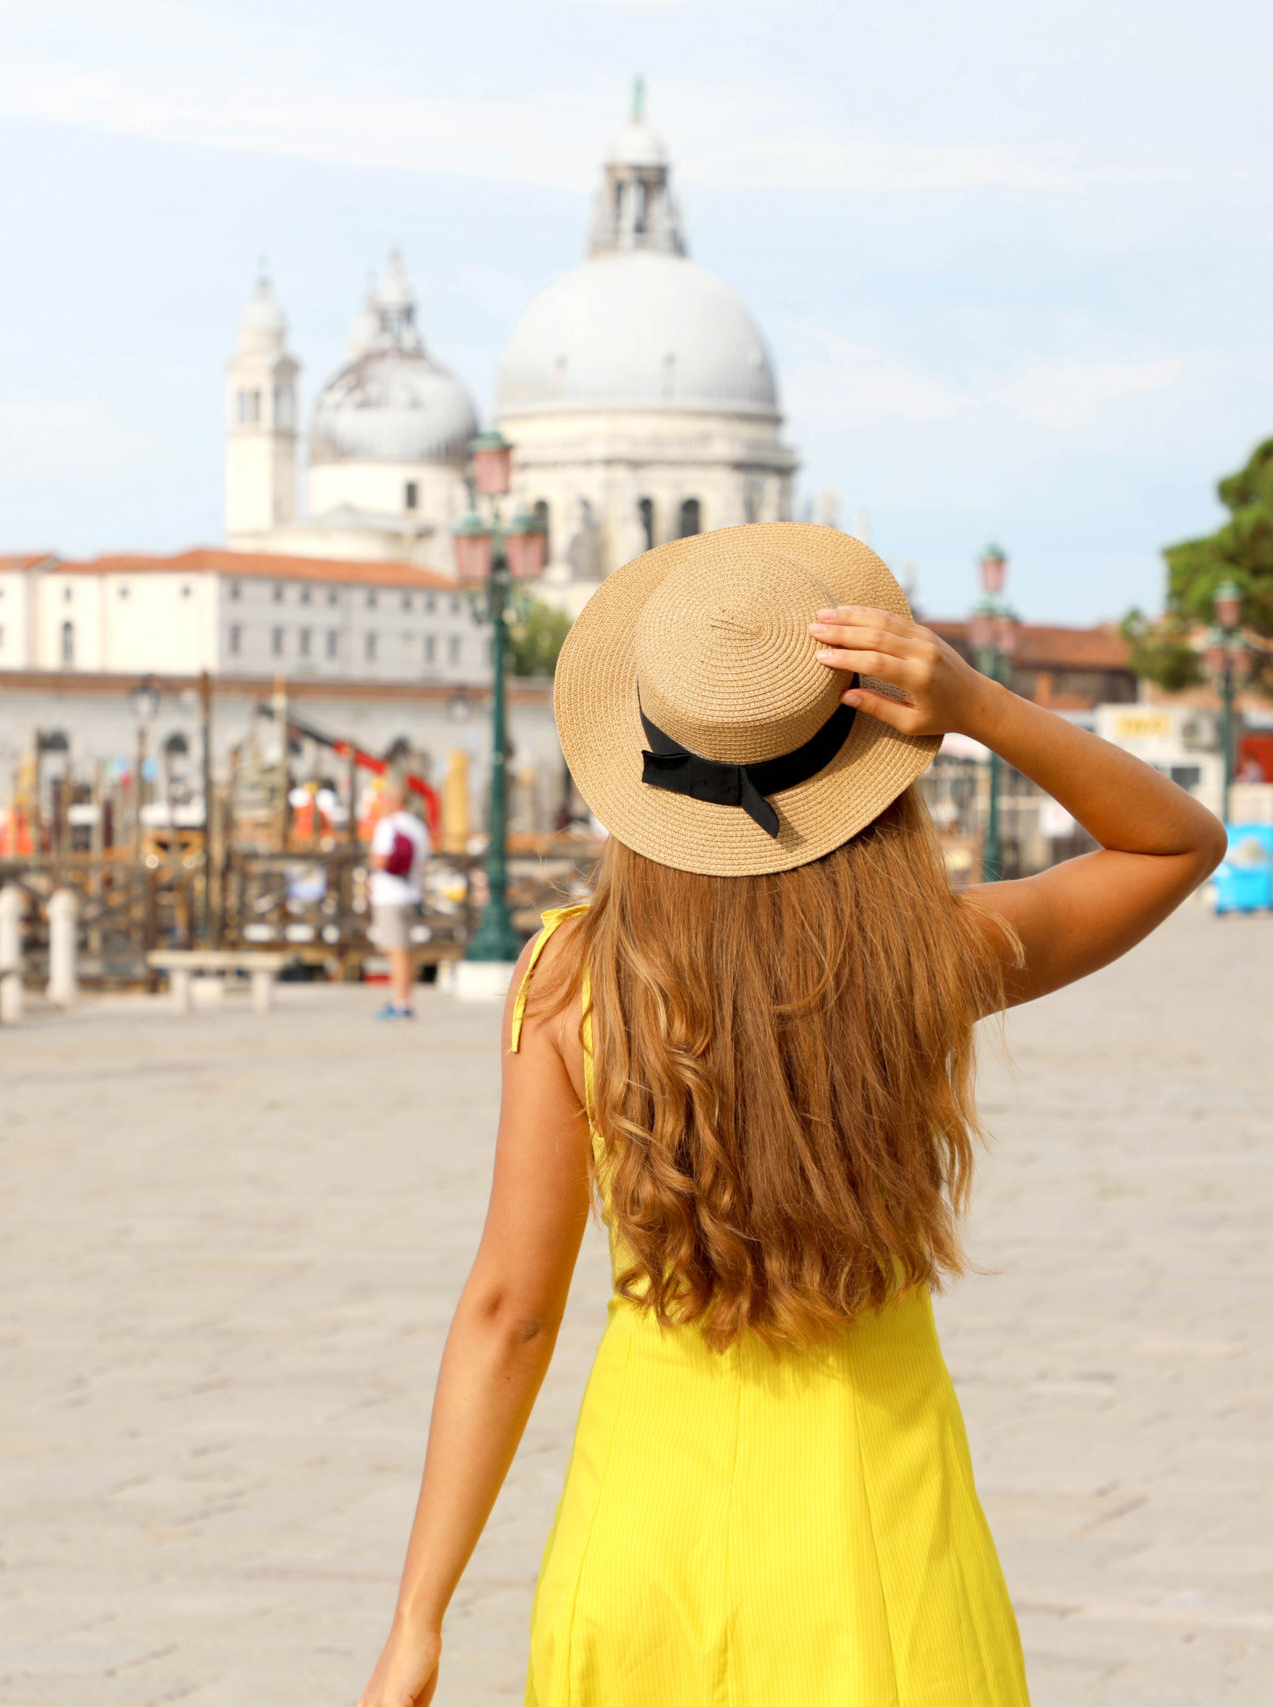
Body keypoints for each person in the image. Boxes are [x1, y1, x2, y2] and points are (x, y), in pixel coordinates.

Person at [354, 526, 1225, 1706]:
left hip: (643, 1542)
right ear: (869, 757)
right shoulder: (933, 957)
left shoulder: (571, 983)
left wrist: (418, 1619)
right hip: (880, 1547)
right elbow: (1175, 839)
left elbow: (509, 1315)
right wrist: (977, 705)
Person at [367, 778, 431, 1021]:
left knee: (397, 951)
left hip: (389, 895)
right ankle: (404, 996)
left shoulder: (388, 825)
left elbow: (380, 860)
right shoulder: (418, 826)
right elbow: (423, 862)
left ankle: (400, 1001)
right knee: (406, 950)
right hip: (411, 893)